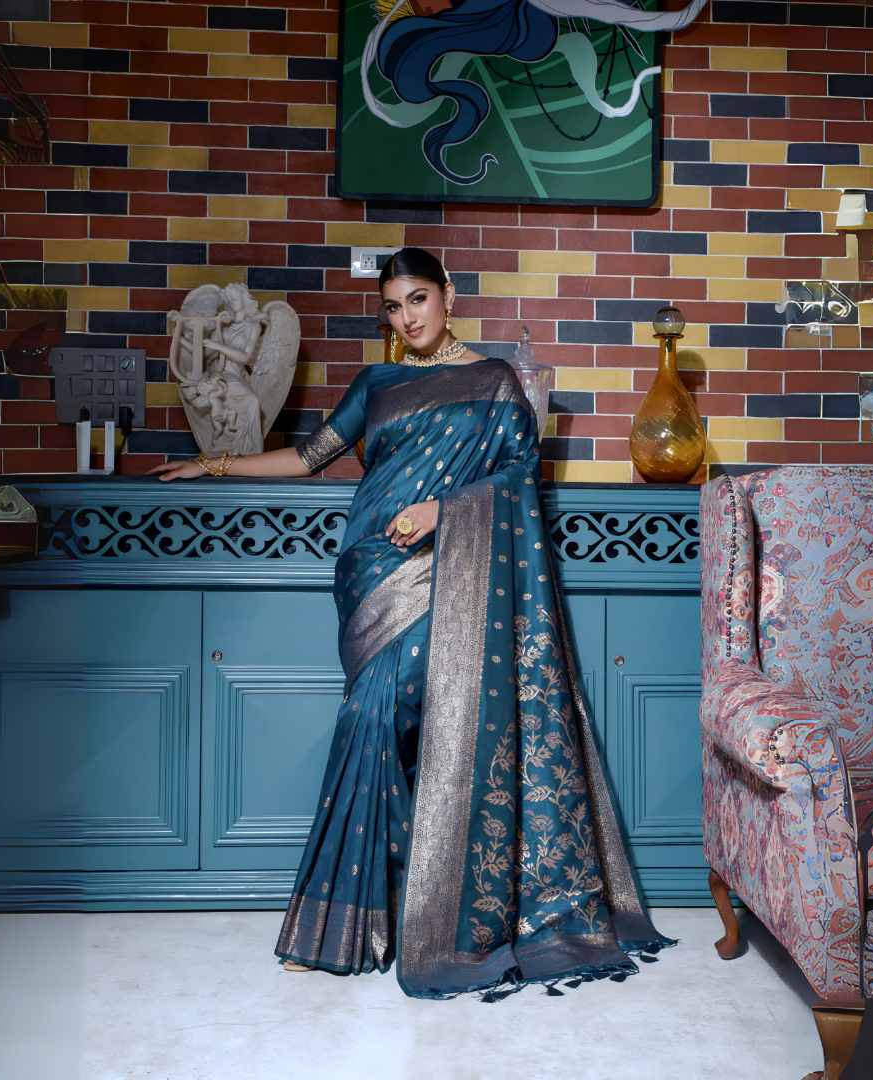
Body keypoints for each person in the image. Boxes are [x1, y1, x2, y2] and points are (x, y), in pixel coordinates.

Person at [152, 247, 672, 998]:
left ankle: (363, 921)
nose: (407, 319)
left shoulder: (495, 382)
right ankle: (385, 911)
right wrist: (217, 464)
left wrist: (445, 511)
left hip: (451, 571)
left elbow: (521, 474)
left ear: (449, 296)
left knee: (377, 713)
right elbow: (307, 458)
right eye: (393, 308)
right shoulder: (379, 383)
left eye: (418, 300)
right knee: (377, 721)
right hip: (372, 571)